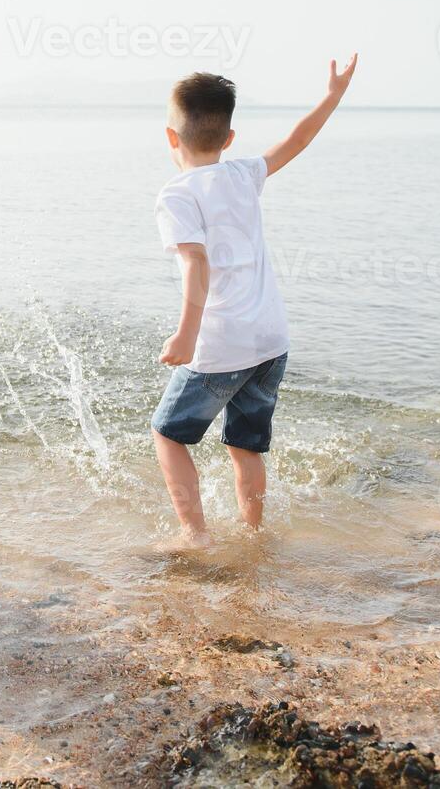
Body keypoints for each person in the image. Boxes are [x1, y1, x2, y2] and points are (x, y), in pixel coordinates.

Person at [149, 57, 358, 547]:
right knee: (245, 446)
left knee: (168, 435)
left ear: (170, 137)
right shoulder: (244, 174)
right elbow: (298, 140)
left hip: (221, 344)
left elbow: (196, 264)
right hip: (271, 340)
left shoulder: (176, 195)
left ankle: (194, 536)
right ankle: (252, 535)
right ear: (229, 138)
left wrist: (185, 334)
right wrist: (332, 94)